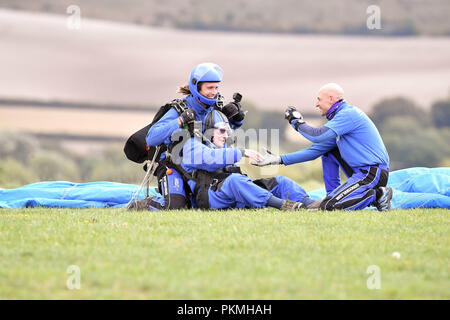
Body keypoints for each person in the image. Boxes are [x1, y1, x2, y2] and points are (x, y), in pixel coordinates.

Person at [253, 83, 393, 211]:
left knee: (329, 207)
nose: (316, 104)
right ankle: (331, 195)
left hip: (372, 174)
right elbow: (314, 151)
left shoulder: (348, 114)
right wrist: (277, 159)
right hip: (361, 173)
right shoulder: (340, 118)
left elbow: (317, 135)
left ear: (331, 99)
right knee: (328, 151)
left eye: (319, 99)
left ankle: (378, 195)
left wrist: (297, 122)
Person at [139, 62, 246, 210]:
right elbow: (151, 138)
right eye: (209, 88)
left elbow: (221, 134)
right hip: (174, 165)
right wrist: (180, 120)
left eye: (216, 87)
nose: (214, 92)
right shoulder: (179, 109)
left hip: (202, 165)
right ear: (196, 86)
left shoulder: (214, 107)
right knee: (174, 206)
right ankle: (141, 205)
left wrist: (236, 120)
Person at [174, 110, 315, 210]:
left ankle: (312, 204)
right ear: (208, 131)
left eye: (227, 132)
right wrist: (243, 152)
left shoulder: (221, 146)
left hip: (232, 195)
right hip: (211, 198)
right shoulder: (191, 145)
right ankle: (283, 205)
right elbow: (210, 160)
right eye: (222, 131)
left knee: (280, 181)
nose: (226, 135)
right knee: (235, 180)